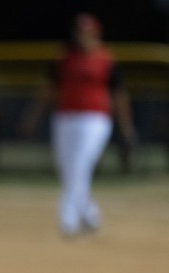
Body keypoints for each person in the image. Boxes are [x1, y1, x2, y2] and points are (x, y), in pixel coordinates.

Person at [19, 12, 137, 237]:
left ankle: (68, 219)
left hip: (96, 119)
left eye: (87, 32)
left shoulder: (106, 60)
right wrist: (31, 118)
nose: (82, 36)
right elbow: (47, 90)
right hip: (64, 117)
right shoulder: (64, 58)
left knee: (79, 166)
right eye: (79, 32)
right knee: (66, 168)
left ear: (96, 34)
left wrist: (127, 126)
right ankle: (90, 215)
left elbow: (120, 96)